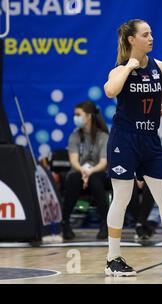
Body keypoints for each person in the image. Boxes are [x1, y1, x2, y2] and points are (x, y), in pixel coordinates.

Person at [103, 19, 162, 277]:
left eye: (151, 33)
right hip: (125, 140)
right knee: (122, 197)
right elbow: (110, 91)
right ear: (131, 40)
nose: (151, 37)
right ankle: (113, 257)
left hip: (150, 140)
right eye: (145, 34)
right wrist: (128, 66)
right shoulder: (119, 68)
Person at [62, 101, 109, 240]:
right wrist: (83, 171)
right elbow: (74, 161)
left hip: (97, 173)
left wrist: (90, 172)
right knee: (72, 178)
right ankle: (65, 223)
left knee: (95, 179)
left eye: (78, 114)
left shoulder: (103, 136)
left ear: (88, 116)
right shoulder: (74, 136)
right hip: (79, 173)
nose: (75, 117)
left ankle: (105, 223)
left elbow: (103, 162)